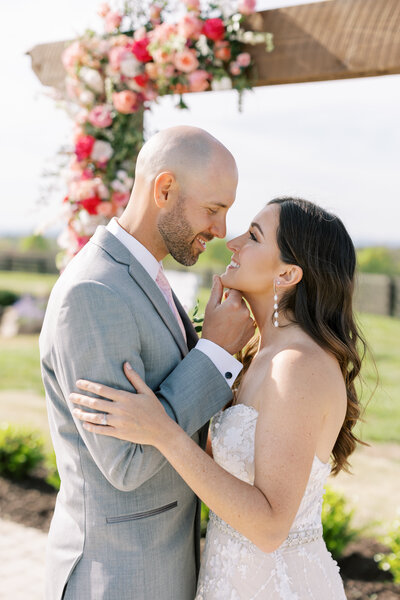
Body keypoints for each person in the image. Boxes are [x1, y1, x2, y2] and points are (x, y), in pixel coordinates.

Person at [72, 197, 367, 599]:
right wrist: (213, 348)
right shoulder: (257, 353)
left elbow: (269, 526)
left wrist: (162, 430)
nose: (233, 242)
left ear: (287, 273)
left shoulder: (297, 367)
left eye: (254, 236)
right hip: (229, 579)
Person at [39, 126, 255, 600]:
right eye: (213, 209)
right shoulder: (93, 292)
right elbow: (126, 462)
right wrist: (215, 353)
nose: (221, 231)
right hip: (118, 578)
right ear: (164, 189)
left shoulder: (144, 276)